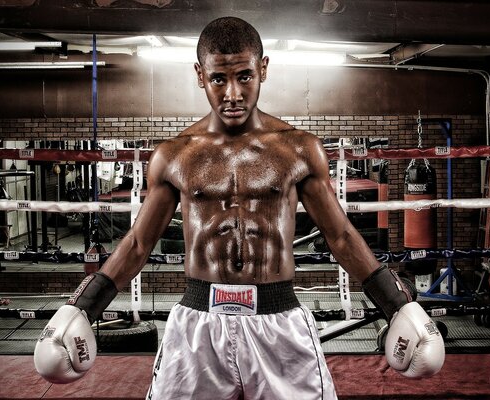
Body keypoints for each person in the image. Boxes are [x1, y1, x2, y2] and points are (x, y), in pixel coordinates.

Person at [34, 16, 445, 399]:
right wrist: (84, 307)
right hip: (197, 319)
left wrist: (397, 305)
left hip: (278, 318)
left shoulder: (299, 149)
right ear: (200, 75)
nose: (232, 94)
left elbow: (339, 236)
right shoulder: (175, 155)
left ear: (263, 68)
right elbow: (140, 242)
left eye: (244, 76)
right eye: (218, 79)